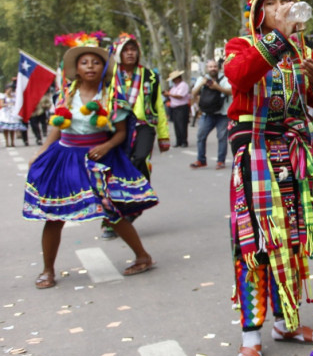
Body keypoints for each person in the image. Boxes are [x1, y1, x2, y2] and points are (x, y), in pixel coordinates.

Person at [224, 0, 313, 356]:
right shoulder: (241, 46)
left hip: (293, 157)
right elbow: (240, 77)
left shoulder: (301, 53)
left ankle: (284, 324)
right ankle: (250, 338)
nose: (282, 7)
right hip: (255, 157)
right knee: (255, 247)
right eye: (272, 4)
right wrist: (279, 39)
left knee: (291, 240)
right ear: (259, 14)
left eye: (287, 1)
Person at [23, 34, 157, 289]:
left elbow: (121, 132)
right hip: (64, 158)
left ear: (103, 68)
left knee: (111, 211)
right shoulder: (65, 96)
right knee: (54, 215)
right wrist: (40, 152)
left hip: (97, 160)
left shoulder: (111, 98)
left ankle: (143, 256)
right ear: (77, 69)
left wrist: (105, 146)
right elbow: (56, 129)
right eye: (84, 62)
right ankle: (48, 270)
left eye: (95, 63)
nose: (90, 67)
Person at [101, 34, 169, 240]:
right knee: (113, 172)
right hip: (116, 127)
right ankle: (115, 217)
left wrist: (163, 135)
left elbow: (158, 105)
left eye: (133, 49)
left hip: (143, 125)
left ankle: (138, 202)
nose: (130, 53)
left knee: (139, 160)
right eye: (126, 50)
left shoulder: (149, 75)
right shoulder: (109, 76)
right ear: (119, 54)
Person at [190, 59, 231, 169]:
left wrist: (217, 87)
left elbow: (231, 91)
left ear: (218, 68)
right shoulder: (202, 79)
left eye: (215, 66)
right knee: (200, 136)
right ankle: (201, 160)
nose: (213, 68)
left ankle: (220, 161)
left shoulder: (225, 79)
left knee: (222, 137)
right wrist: (202, 84)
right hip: (207, 113)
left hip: (222, 113)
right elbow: (193, 93)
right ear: (207, 68)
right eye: (210, 67)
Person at [165, 70, 191, 147]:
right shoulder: (174, 86)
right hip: (174, 107)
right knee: (176, 125)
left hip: (182, 107)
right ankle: (178, 141)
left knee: (182, 125)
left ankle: (184, 141)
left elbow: (180, 96)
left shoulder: (183, 85)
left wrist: (169, 94)